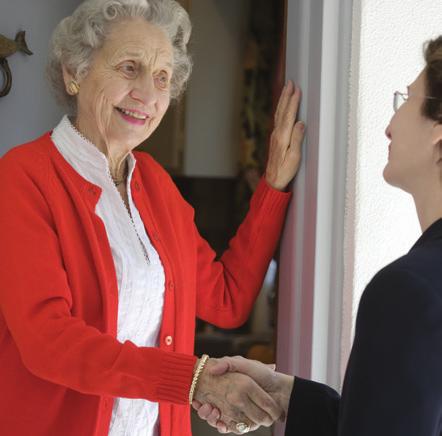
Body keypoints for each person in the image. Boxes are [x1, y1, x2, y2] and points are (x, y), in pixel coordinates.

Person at [0, 1, 306, 435]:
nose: (148, 94)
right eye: (129, 68)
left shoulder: (156, 185)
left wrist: (273, 185)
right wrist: (193, 382)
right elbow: (48, 343)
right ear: (75, 72)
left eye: (162, 78)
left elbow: (226, 298)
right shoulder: (24, 177)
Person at [193, 36, 442, 436]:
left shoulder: (408, 291)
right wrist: (287, 392)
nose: (390, 125)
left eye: (407, 100)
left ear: (438, 129)